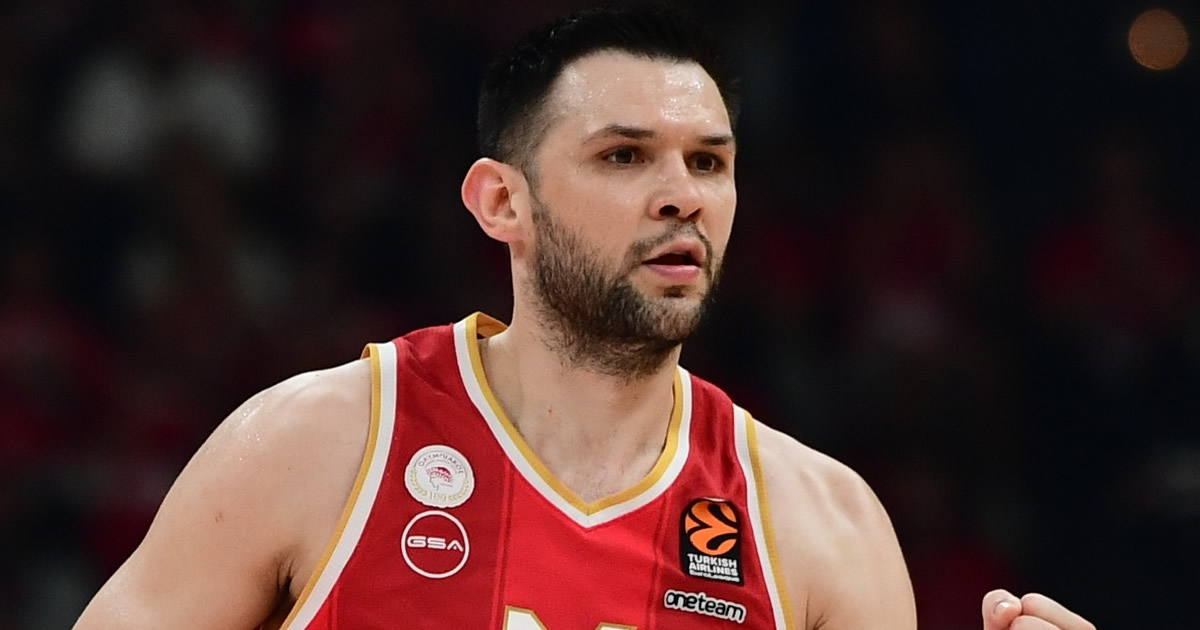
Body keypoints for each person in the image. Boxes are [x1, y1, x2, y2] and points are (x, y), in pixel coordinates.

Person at [75, 4, 1096, 629]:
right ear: (501, 203)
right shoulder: (317, 445)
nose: (681, 195)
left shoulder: (819, 524)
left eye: (709, 163)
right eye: (624, 156)